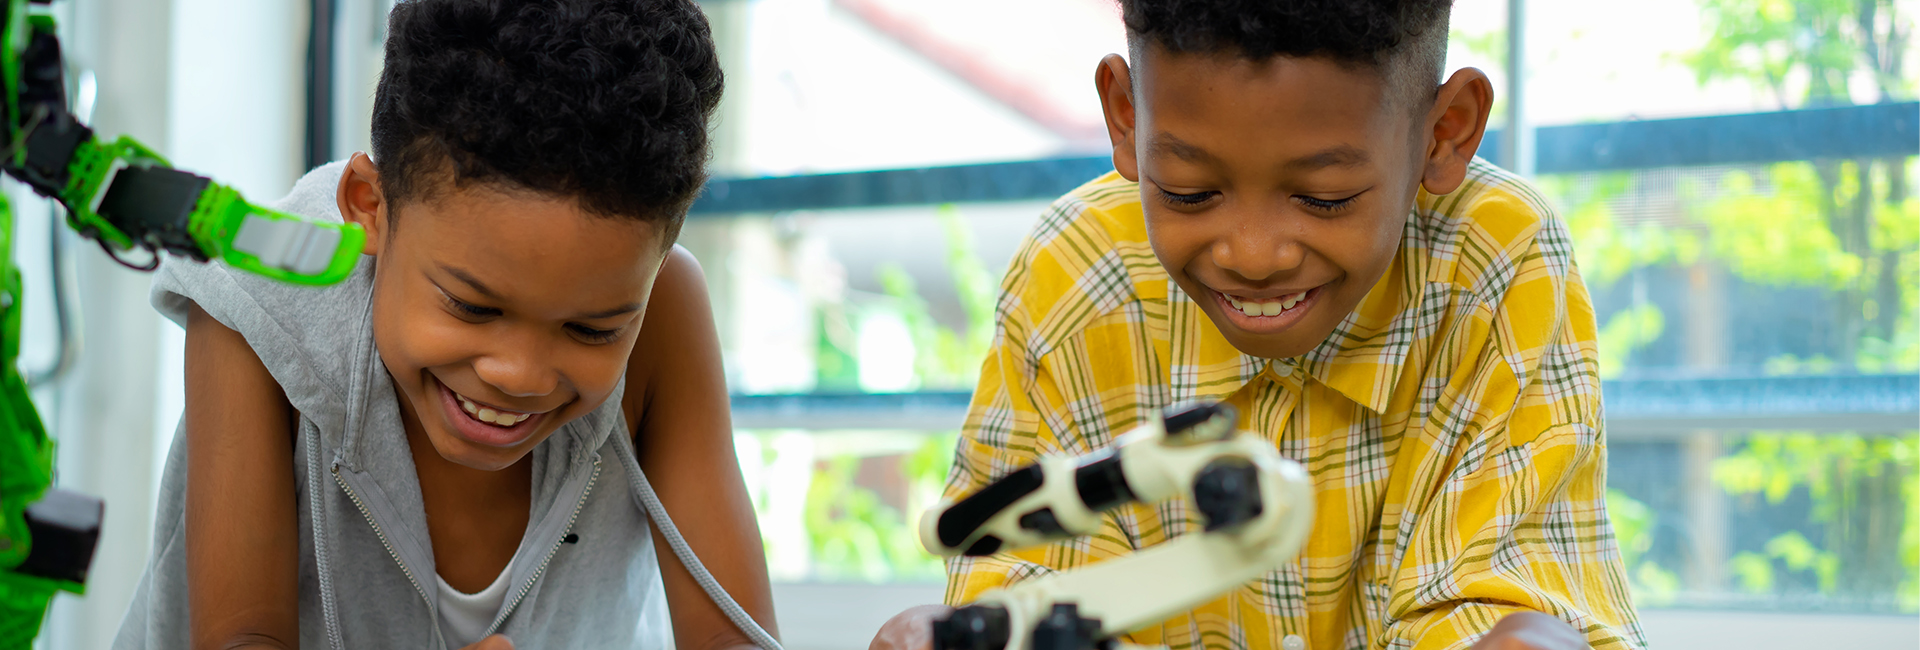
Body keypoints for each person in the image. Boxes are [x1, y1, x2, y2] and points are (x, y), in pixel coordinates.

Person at [872, 1, 1644, 648]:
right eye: (1189, 189)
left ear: (1445, 132)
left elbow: (1508, 597)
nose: (1253, 255)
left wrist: (1527, 634)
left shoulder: (1491, 262)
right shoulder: (1079, 276)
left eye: (1326, 197)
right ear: (1124, 115)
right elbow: (1029, 584)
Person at [112, 1, 777, 649]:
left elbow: (729, 634)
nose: (519, 375)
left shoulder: (664, 310)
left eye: (591, 330)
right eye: (473, 307)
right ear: (368, 206)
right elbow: (242, 638)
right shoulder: (260, 298)